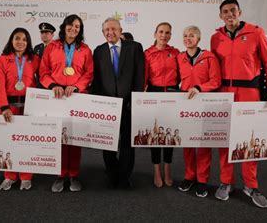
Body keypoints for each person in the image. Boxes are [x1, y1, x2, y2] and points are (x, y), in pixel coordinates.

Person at [211, 0, 267, 208]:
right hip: (223, 92)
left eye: (233, 10)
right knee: (225, 139)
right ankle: (226, 182)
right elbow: (212, 67)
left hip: (249, 92)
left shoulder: (256, 32)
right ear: (220, 15)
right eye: (225, 11)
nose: (230, 14)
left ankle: (251, 185)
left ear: (240, 12)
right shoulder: (215, 37)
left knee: (249, 140)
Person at [39, 14, 93, 192]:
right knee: (60, 137)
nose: (74, 29)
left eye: (77, 27)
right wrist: (53, 84)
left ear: (80, 30)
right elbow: (43, 72)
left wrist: (77, 86)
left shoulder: (85, 49)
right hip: (56, 97)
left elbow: (88, 74)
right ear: (64, 27)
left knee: (74, 138)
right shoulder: (52, 47)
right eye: (71, 25)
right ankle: (60, 175)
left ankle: (74, 174)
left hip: (76, 97)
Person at [92, 17, 145, 189]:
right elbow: (97, 79)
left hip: (129, 103)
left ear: (120, 30)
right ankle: (112, 173)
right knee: (107, 142)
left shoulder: (135, 47)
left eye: (114, 29)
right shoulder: (98, 51)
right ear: (103, 33)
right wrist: (96, 102)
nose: (110, 32)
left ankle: (124, 176)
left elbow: (139, 76)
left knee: (127, 142)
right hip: (107, 105)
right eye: (107, 30)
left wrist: (136, 100)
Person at [177, 25, 221, 198]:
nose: (188, 38)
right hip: (186, 106)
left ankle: (202, 180)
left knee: (203, 144)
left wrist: (199, 87)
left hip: (204, 105)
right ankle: (189, 176)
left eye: (192, 35)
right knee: (187, 142)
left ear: (199, 39)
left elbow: (216, 81)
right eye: (185, 35)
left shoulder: (209, 57)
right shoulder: (180, 57)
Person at [0, 27, 40, 191]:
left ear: (28, 42)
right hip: (9, 107)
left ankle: (26, 177)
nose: (20, 42)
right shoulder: (3, 59)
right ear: (11, 40)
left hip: (29, 107)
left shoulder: (34, 59)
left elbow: (41, 81)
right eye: (17, 38)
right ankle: (9, 176)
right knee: (9, 142)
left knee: (27, 141)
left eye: (24, 39)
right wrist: (4, 106)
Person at [144, 22, 179, 188]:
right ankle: (156, 169)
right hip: (153, 94)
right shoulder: (148, 53)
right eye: (161, 32)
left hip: (172, 94)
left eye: (167, 33)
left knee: (169, 135)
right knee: (156, 134)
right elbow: (143, 78)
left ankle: (168, 168)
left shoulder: (176, 53)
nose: (164, 35)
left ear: (170, 35)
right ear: (155, 33)